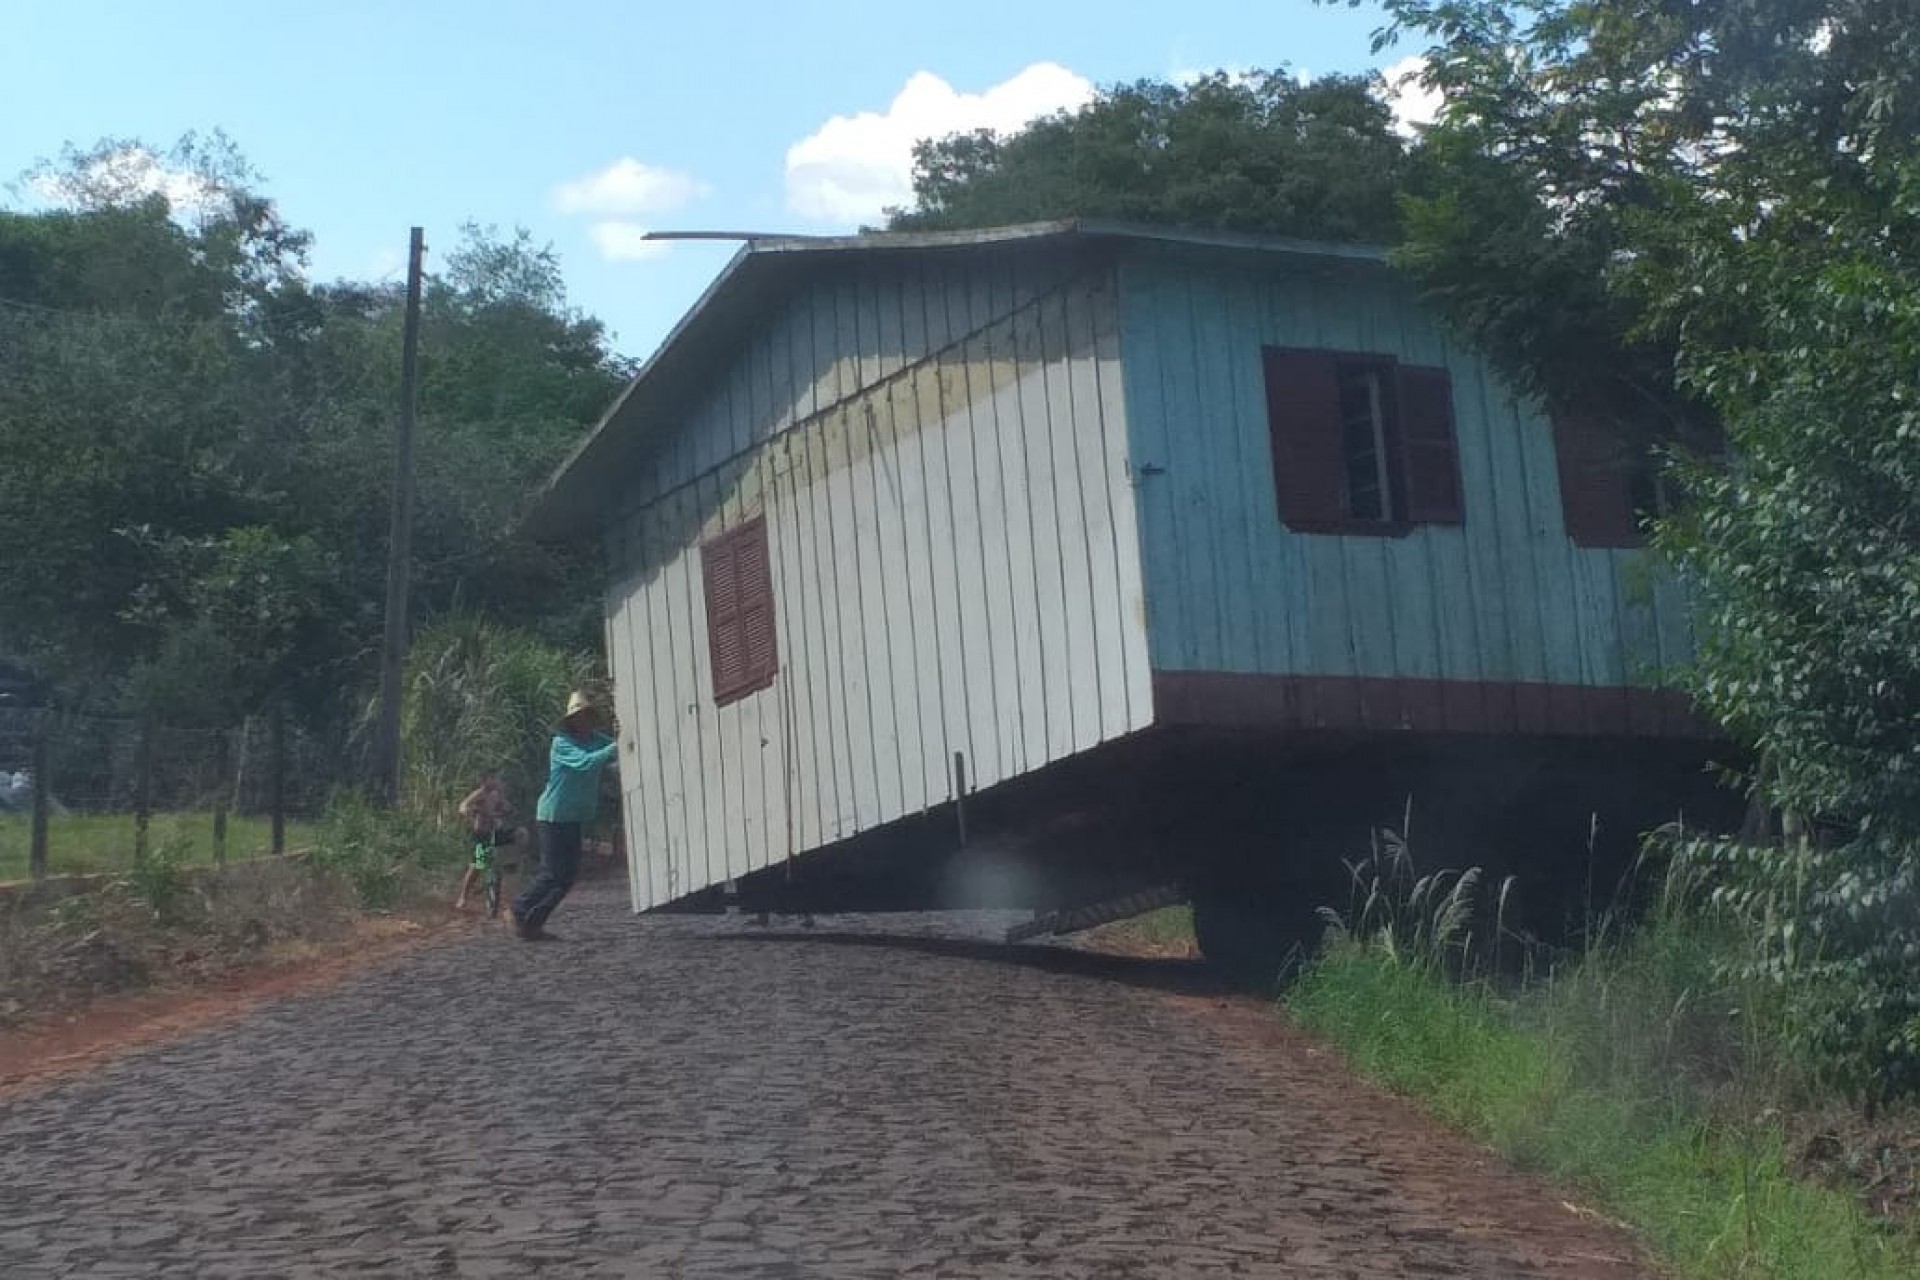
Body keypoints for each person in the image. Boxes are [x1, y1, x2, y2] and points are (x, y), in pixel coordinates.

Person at [511, 691, 618, 941]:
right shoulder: (562, 743)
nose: (584, 721)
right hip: (553, 816)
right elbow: (586, 763)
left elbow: (612, 751)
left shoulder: (595, 739)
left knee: (567, 876)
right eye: (579, 717)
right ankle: (518, 908)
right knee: (551, 872)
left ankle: (532, 922)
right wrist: (615, 746)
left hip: (573, 817)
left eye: (587, 716)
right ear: (571, 721)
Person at [454, 771, 513, 913]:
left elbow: (507, 807)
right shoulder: (480, 794)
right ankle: (463, 897)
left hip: (494, 831)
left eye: (496, 778)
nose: (495, 781)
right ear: (485, 780)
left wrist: (506, 809)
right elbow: (464, 804)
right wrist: (466, 810)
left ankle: (508, 866)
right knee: (477, 865)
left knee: (520, 835)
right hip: (481, 833)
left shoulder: (496, 795)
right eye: (492, 778)